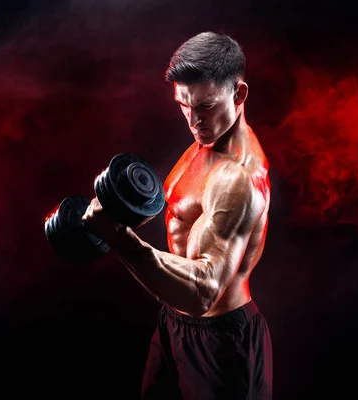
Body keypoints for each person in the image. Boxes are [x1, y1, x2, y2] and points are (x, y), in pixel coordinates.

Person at [82, 31, 273, 399]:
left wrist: (119, 238)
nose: (192, 119)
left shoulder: (239, 178)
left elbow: (203, 292)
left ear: (239, 94)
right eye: (183, 105)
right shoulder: (203, 143)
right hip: (173, 326)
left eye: (205, 106)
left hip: (222, 342)